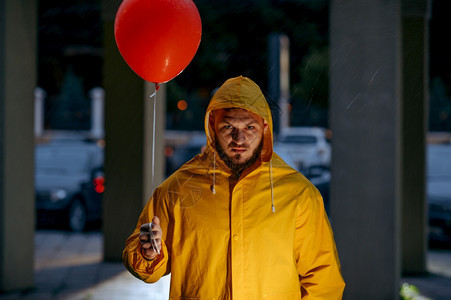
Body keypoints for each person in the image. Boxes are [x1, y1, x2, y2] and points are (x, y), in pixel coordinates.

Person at [123, 76, 345, 299]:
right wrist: (148, 254)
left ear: (265, 128)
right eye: (228, 126)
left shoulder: (299, 194)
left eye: (250, 127)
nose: (239, 138)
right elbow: (144, 266)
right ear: (212, 125)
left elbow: (323, 281)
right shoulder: (178, 189)